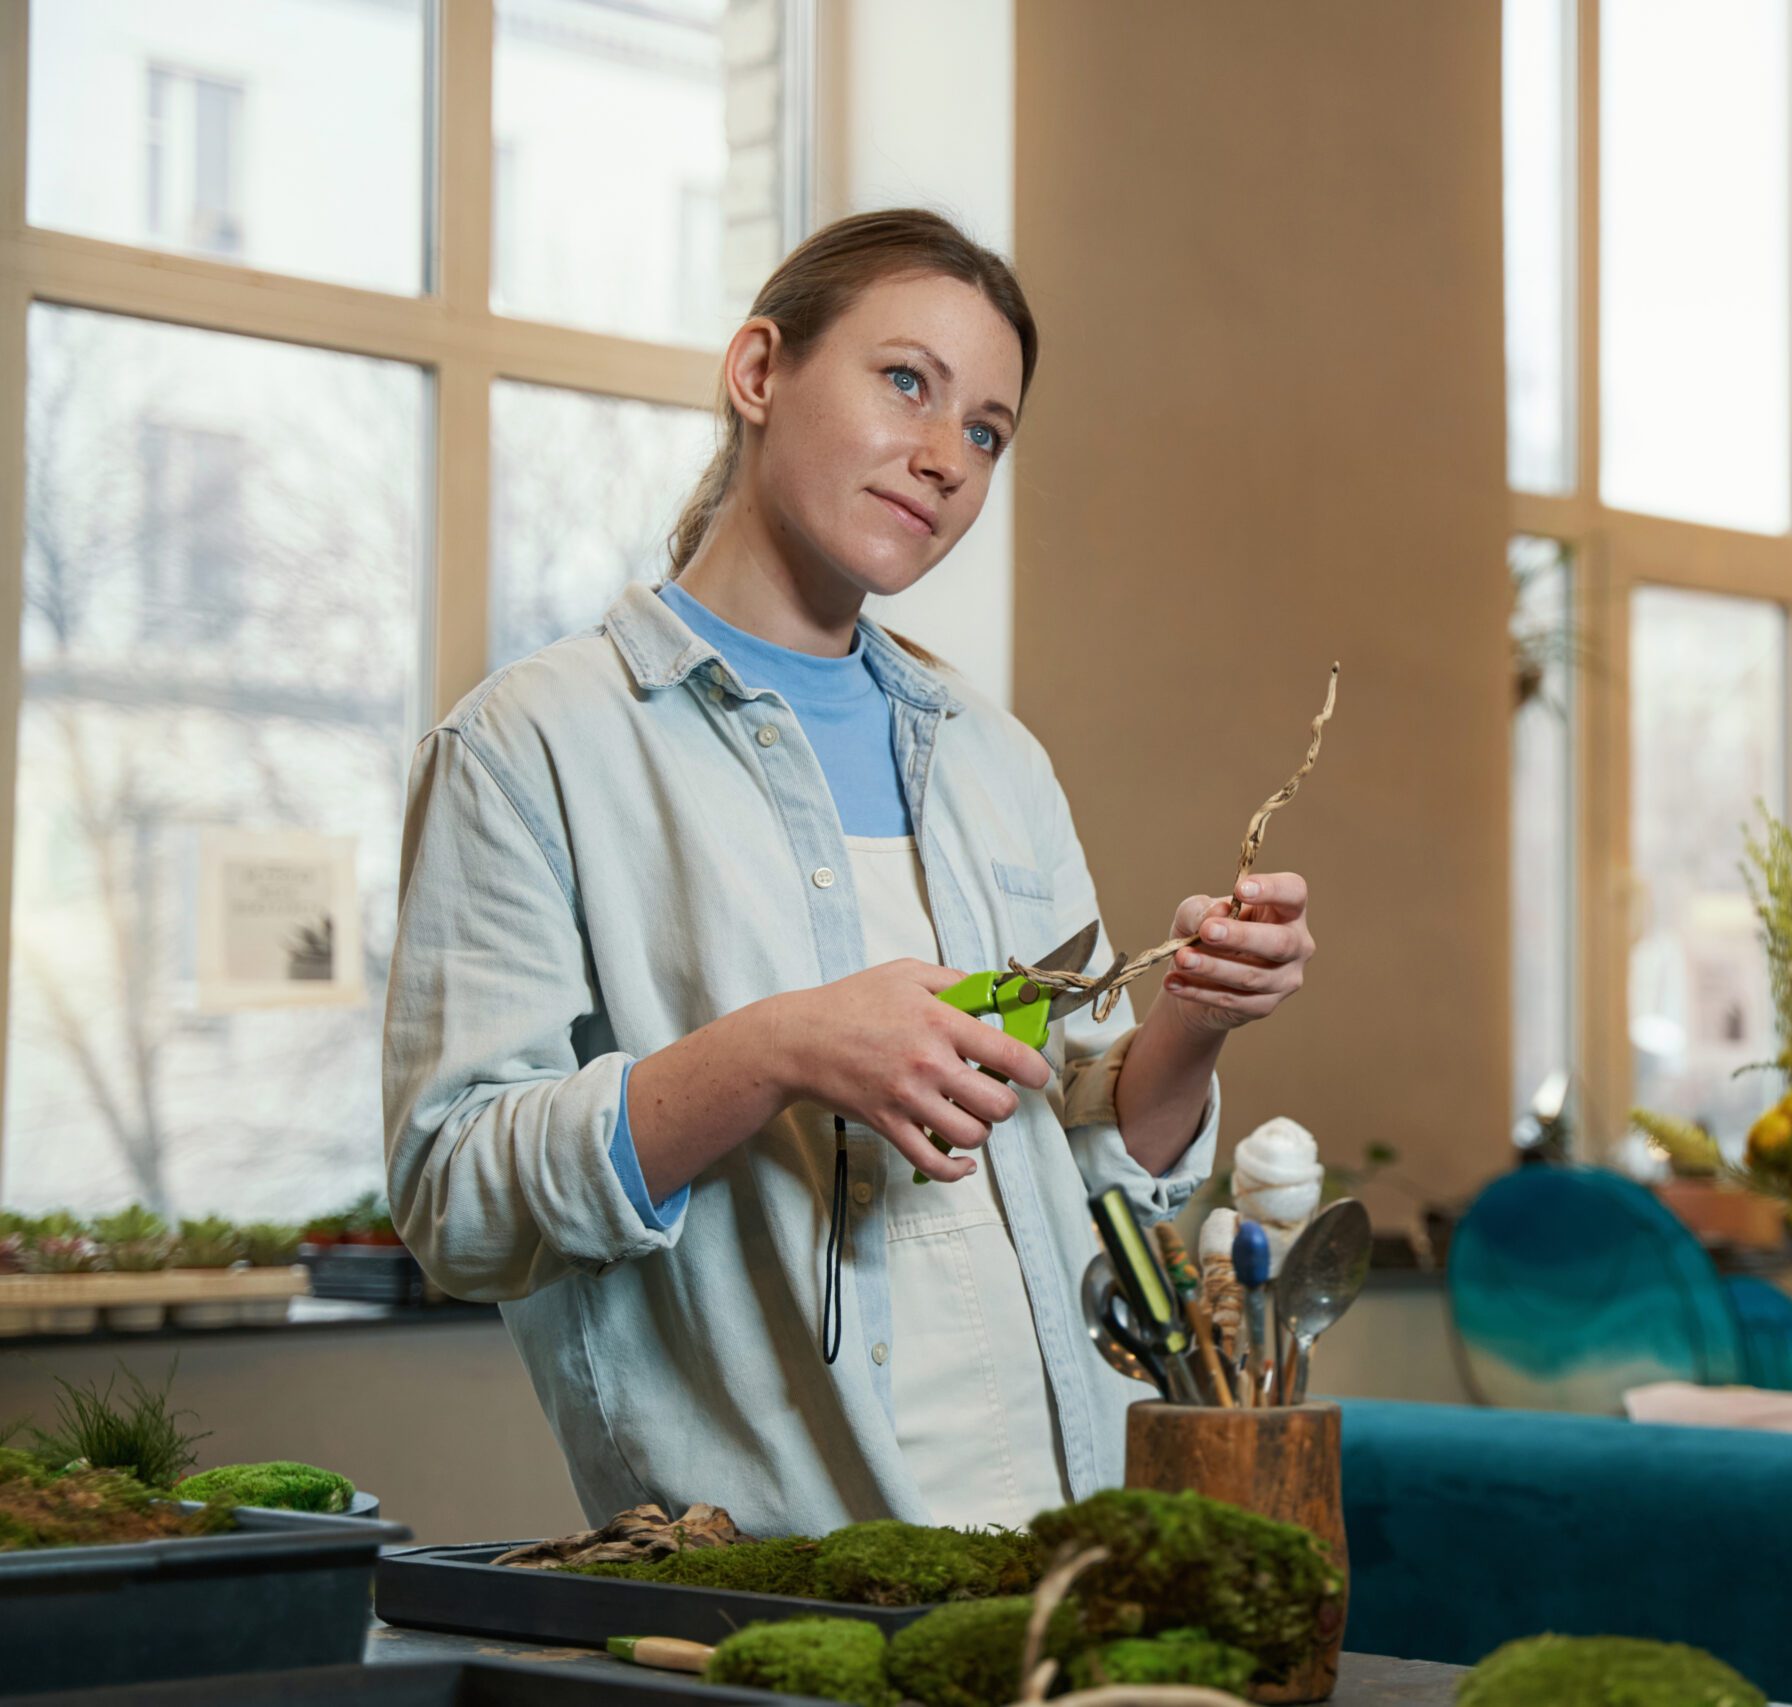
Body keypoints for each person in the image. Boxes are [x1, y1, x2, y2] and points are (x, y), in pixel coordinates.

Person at [381, 209, 1316, 1537]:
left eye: (987, 431)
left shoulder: (994, 758)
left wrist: (1195, 1026)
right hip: (789, 1574)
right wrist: (773, 1052)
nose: (944, 458)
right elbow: (456, 1195)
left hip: (1078, 1529)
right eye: (904, 383)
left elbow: (1103, 1169)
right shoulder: (532, 748)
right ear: (759, 372)